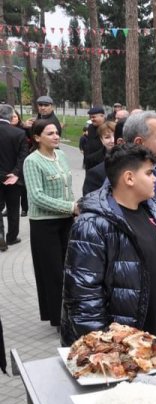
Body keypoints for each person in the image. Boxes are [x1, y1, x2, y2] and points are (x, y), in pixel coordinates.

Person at [61, 143, 156, 346]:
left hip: (152, 329)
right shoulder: (92, 225)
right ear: (129, 178)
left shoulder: (154, 210)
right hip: (120, 343)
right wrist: (107, 348)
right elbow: (83, 297)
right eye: (149, 173)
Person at [23, 120, 78, 328]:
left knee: (69, 269)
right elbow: (36, 197)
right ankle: (59, 318)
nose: (56, 136)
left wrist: (73, 210)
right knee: (53, 273)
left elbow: (68, 188)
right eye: (50, 133)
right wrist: (71, 206)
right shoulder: (32, 161)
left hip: (66, 221)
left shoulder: (62, 156)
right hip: (44, 225)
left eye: (57, 132)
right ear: (37, 137)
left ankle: (72, 312)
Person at [0, 103, 29, 251]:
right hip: (13, 178)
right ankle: (11, 237)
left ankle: (0, 237)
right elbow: (23, 156)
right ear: (11, 117)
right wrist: (16, 172)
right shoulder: (19, 133)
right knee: (13, 208)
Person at [82, 122, 116, 196]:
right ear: (101, 140)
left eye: (115, 136)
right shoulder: (92, 159)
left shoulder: (130, 157)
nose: (112, 140)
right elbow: (89, 188)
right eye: (107, 137)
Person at [10, 108, 30, 216]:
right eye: (11, 117)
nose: (13, 119)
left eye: (15, 116)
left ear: (18, 118)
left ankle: (24, 208)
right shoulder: (5, 129)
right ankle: (10, 208)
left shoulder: (24, 129)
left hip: (23, 160)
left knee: (23, 186)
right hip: (10, 160)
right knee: (11, 186)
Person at [83, 106, 106, 170]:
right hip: (89, 164)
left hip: (102, 164)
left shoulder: (108, 128)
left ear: (102, 116)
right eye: (90, 117)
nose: (92, 119)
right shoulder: (91, 127)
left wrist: (91, 157)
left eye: (94, 117)